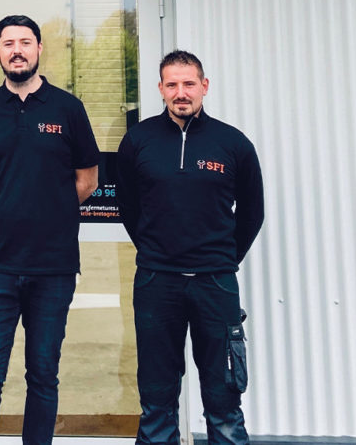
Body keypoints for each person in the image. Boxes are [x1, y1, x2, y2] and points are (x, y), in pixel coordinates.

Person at [0, 15, 100, 445]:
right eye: (8, 43)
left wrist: (49, 210)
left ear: (39, 48)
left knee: (42, 376)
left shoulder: (68, 109)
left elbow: (87, 180)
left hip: (53, 269)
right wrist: (5, 206)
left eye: (25, 42)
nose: (16, 50)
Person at [116, 50, 264, 444]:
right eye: (172, 84)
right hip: (156, 282)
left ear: (204, 86)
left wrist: (221, 258)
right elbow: (128, 207)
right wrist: (157, 249)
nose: (181, 92)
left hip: (215, 283)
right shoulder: (138, 141)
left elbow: (253, 212)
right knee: (157, 397)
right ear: (161, 89)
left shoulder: (233, 144)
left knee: (224, 397)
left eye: (189, 84)